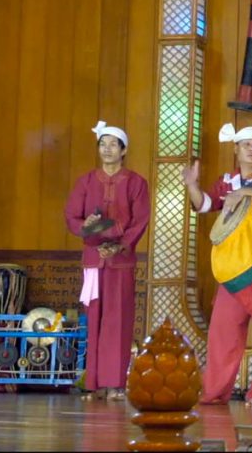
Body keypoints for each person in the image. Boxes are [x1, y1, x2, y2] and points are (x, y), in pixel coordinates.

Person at [182, 123, 252, 408]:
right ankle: (214, 391)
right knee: (223, 330)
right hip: (235, 269)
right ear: (236, 149)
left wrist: (242, 193)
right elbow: (205, 205)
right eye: (247, 145)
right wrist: (192, 185)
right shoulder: (227, 181)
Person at [65, 121, 150, 401]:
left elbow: (140, 221)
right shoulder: (86, 181)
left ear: (123, 150)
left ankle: (115, 384)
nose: (107, 149)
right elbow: (72, 217)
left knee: (118, 320)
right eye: (103, 144)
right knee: (94, 321)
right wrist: (86, 225)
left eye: (113, 144)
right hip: (93, 261)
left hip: (120, 261)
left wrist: (119, 245)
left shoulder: (136, 183)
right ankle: (93, 384)